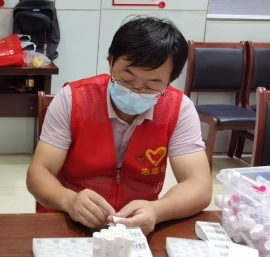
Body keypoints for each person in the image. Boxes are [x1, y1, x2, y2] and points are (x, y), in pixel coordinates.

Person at [27, 16, 212, 235]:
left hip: (138, 228)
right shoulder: (73, 99)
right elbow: (39, 173)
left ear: (169, 82)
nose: (136, 92)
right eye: (127, 79)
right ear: (110, 62)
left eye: (152, 85)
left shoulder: (178, 109)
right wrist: (69, 201)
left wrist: (157, 210)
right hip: (70, 220)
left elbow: (199, 185)